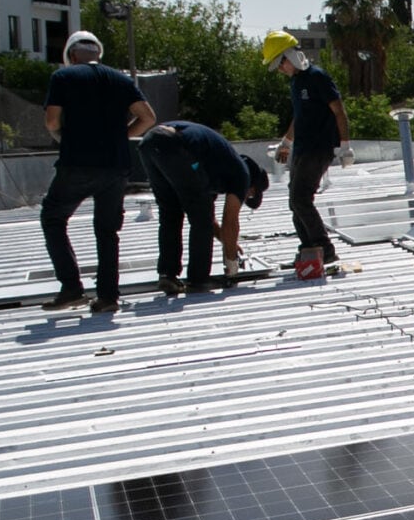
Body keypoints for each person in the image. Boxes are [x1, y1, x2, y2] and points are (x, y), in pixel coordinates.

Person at [40, 29, 154, 314]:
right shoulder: (120, 79)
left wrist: (64, 136)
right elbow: (148, 117)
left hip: (76, 163)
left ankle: (71, 288)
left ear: (71, 55)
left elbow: (52, 121)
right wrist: (120, 137)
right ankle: (107, 297)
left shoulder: (63, 77)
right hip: (115, 167)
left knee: (53, 217)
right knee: (107, 231)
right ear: (98, 53)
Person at [261, 29, 351, 275]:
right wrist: (286, 143)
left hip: (318, 148)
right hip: (302, 147)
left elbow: (339, 111)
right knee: (294, 200)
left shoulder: (317, 77)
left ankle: (324, 247)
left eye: (280, 64)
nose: (280, 70)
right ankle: (309, 247)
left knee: (301, 198)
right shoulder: (296, 82)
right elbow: (299, 117)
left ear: (289, 57)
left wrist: (345, 145)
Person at [137, 120, 262, 294]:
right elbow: (229, 220)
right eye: (249, 195)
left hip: (150, 142)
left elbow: (212, 220)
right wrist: (231, 260)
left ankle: (168, 275)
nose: (245, 198)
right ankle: (198, 280)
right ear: (252, 185)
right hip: (175, 144)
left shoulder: (216, 169)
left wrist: (228, 241)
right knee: (200, 219)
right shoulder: (242, 173)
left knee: (171, 213)